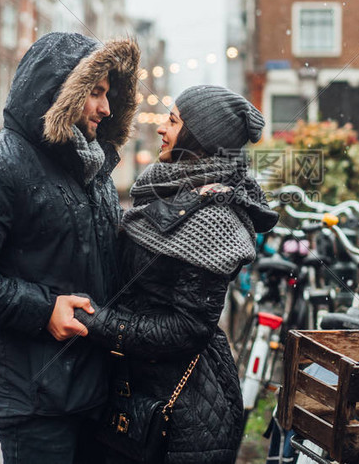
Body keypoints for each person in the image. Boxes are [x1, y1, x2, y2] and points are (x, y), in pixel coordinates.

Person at [0, 32, 139, 463]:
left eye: (109, 95)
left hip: (93, 393)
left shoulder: (92, 168)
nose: (105, 108)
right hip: (36, 402)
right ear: (61, 92)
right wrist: (44, 311)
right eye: (94, 93)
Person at [75, 85, 279, 464]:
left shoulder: (214, 218)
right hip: (147, 386)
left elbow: (187, 328)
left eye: (173, 120)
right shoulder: (173, 187)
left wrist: (98, 322)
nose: (162, 129)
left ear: (199, 137)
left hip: (183, 412)